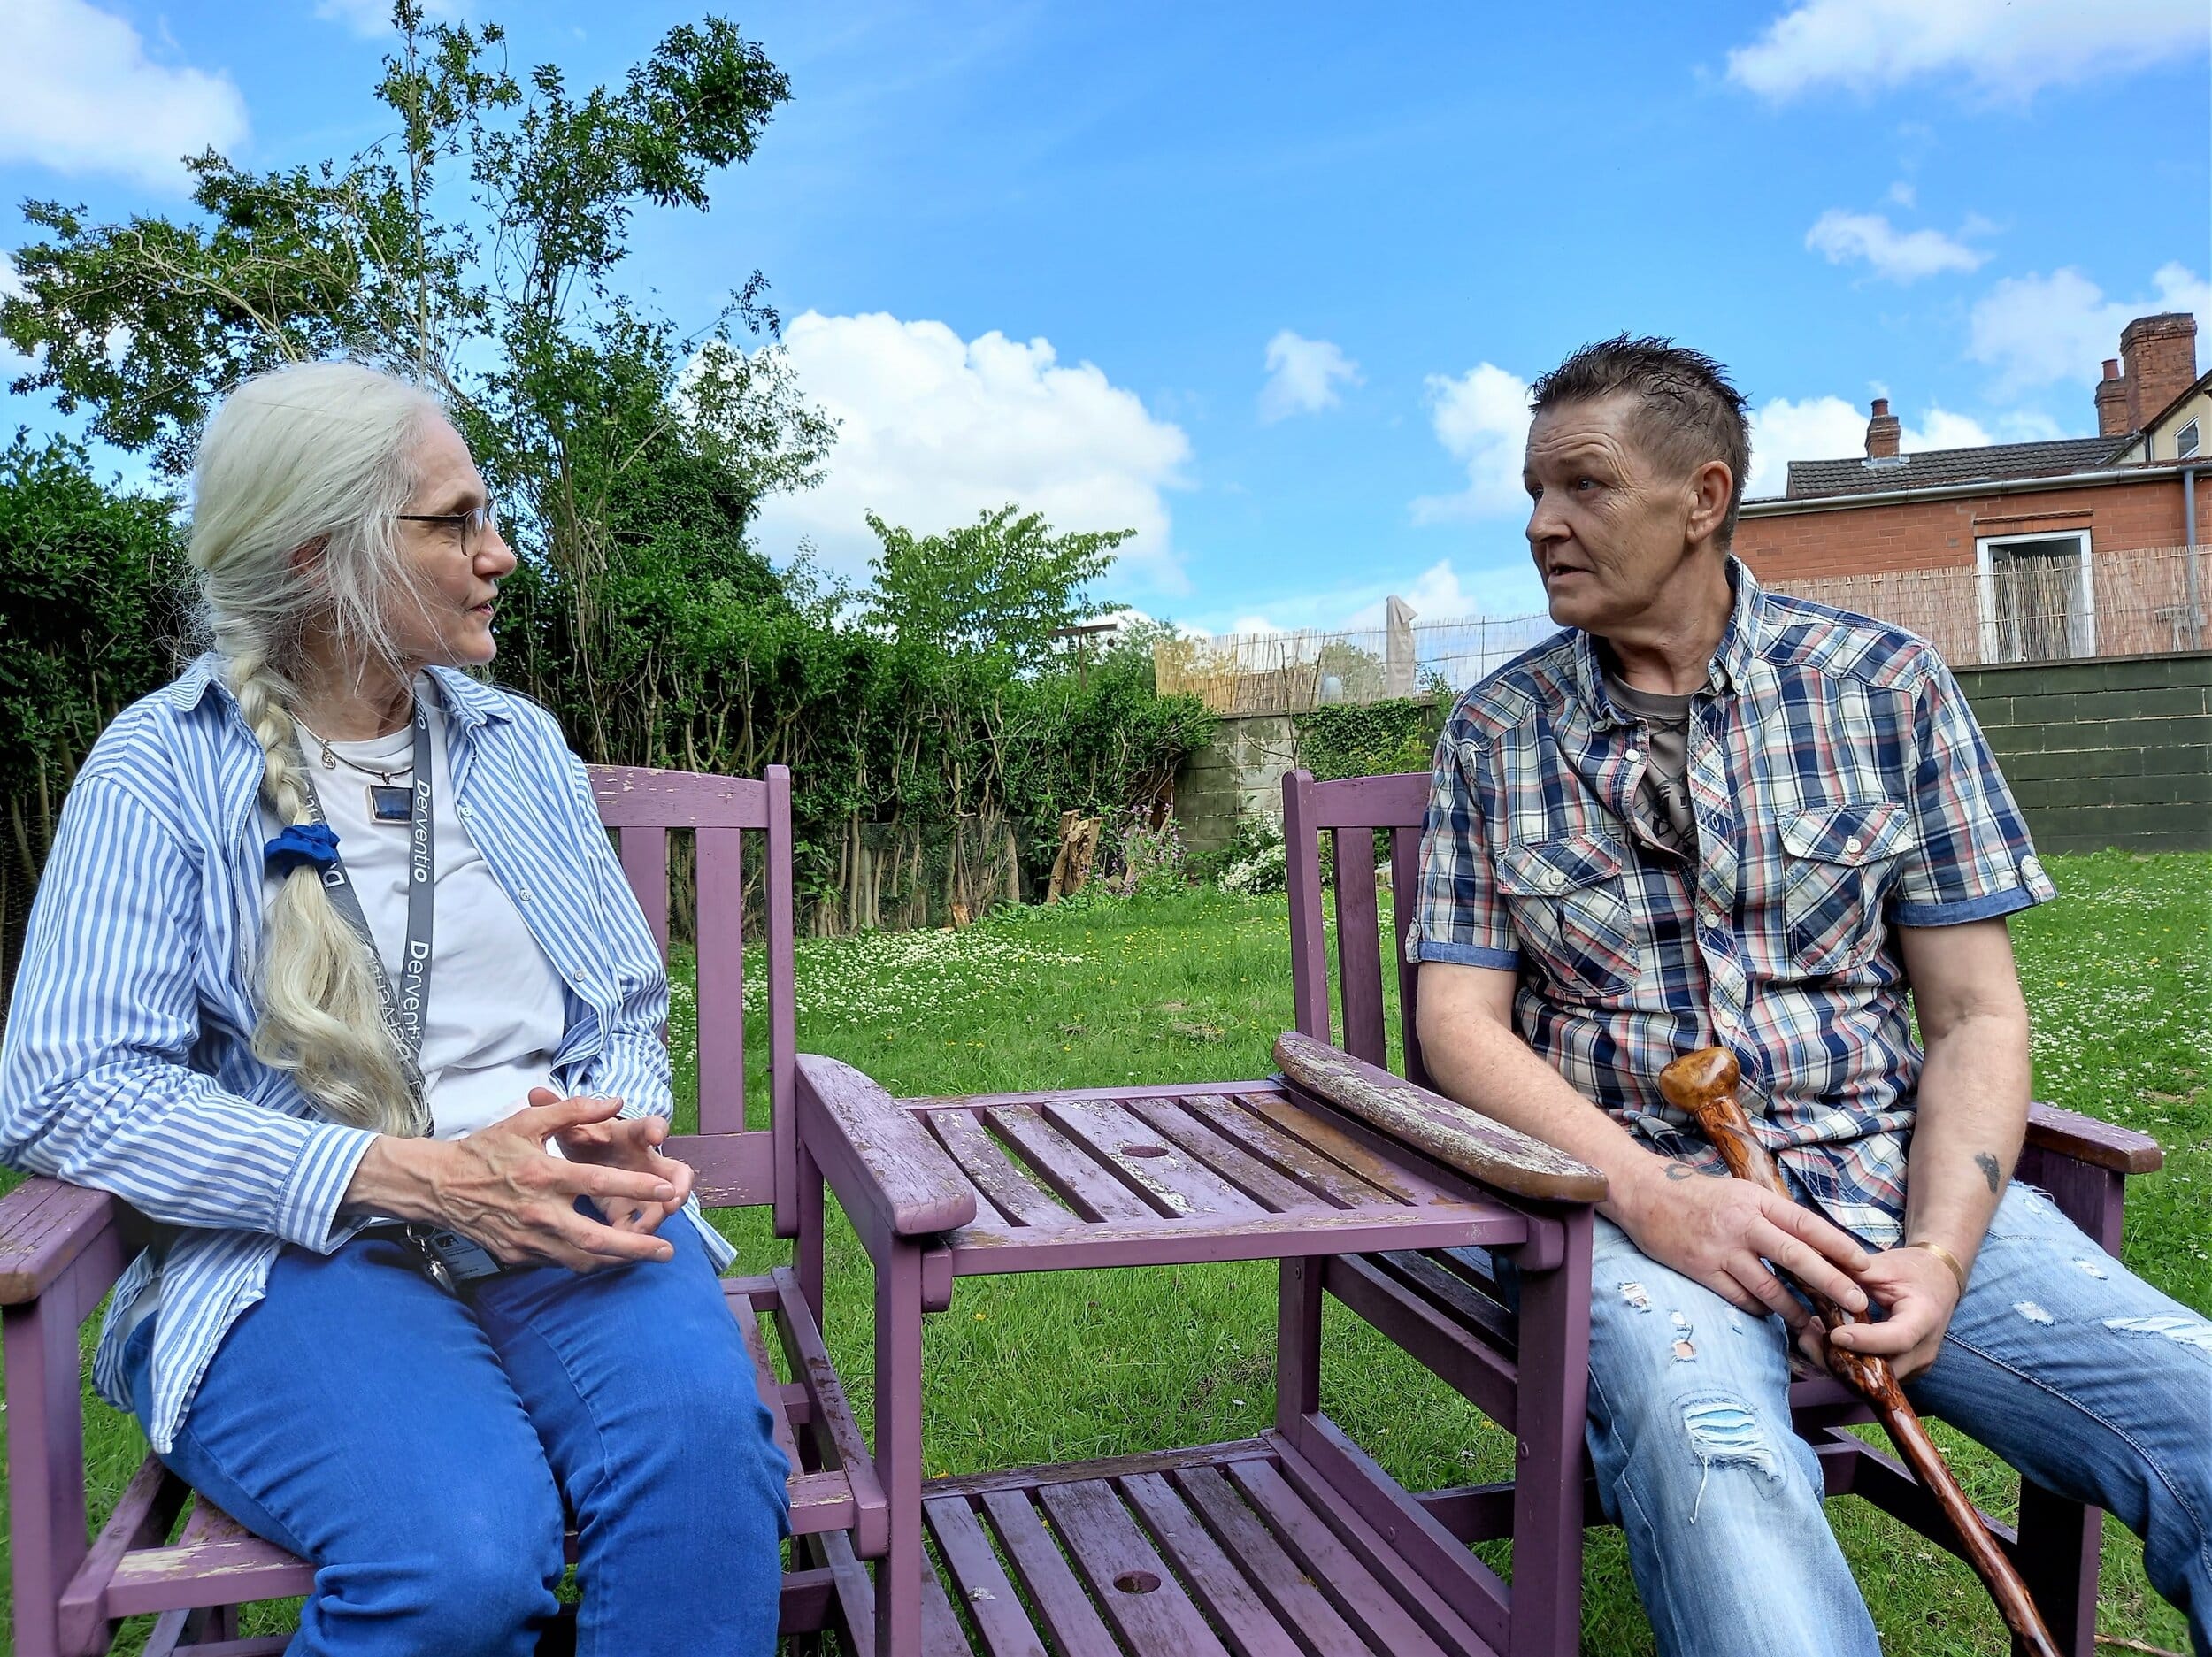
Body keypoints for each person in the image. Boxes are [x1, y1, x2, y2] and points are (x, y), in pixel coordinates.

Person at [1407, 335, 2210, 1656]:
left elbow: (1974, 1017)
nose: (1544, 524)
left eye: (1585, 485)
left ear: (1704, 497)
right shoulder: (1495, 738)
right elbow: (1458, 1024)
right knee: (1729, 1489)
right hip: (1632, 1222)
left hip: (1895, 1192)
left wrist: (1942, 1251)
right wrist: (1655, 1198)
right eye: (1534, 491)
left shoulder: (1886, 689)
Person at [0, 361, 789, 1655]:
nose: (503, 553)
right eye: (459, 520)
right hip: (293, 1257)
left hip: (551, 1210)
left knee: (704, 1472)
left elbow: (622, 1000)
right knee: (457, 1559)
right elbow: (67, 1085)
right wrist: (406, 1174)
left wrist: (611, 1131)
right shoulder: (161, 766)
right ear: (325, 555)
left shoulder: (512, 745)